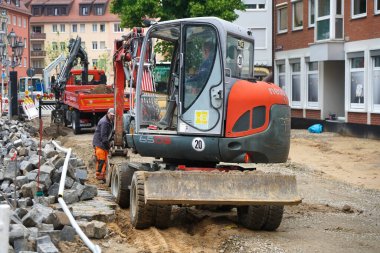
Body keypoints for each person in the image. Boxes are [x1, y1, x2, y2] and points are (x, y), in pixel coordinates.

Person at [92, 108, 115, 181]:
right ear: (108, 113)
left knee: (104, 160)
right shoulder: (104, 122)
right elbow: (104, 137)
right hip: (100, 144)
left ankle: (102, 175)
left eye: (113, 116)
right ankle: (99, 175)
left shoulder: (109, 121)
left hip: (102, 143)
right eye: (111, 115)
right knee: (101, 160)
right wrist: (109, 146)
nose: (112, 117)